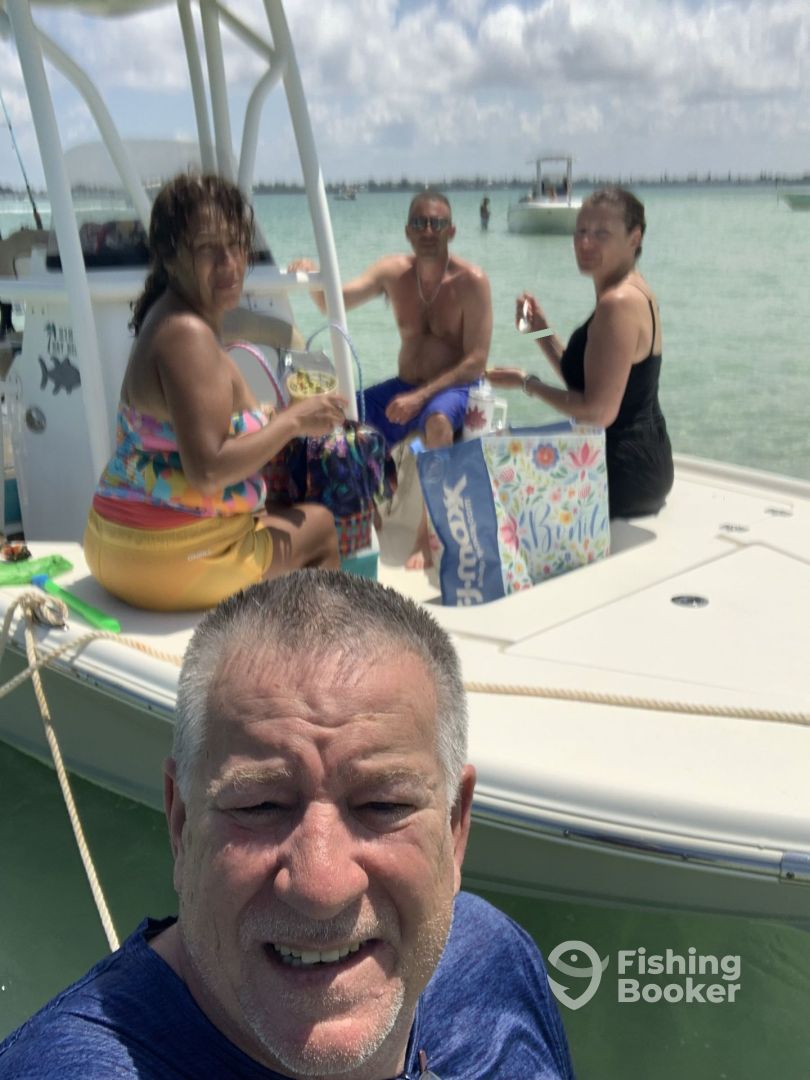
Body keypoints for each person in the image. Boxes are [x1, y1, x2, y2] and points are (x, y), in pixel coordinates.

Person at [0, 570, 575, 1079]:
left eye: (383, 805)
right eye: (261, 807)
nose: (321, 887)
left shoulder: (490, 956)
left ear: (454, 828)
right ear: (180, 824)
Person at [83, 173, 346, 612]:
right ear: (169, 256)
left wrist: (271, 419)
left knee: (277, 511)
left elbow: (190, 434)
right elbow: (207, 471)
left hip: (123, 542)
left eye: (236, 245)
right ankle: (320, 653)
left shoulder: (169, 318)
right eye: (208, 248)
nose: (229, 263)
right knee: (319, 526)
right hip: (164, 557)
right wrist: (293, 422)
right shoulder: (187, 334)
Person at [289, 190, 492, 569]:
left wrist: (420, 398)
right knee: (341, 417)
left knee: (437, 422)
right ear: (407, 231)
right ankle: (368, 517)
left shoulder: (472, 281)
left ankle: (426, 537)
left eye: (437, 223)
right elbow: (333, 303)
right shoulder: (393, 274)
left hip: (455, 388)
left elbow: (476, 361)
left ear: (452, 231)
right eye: (419, 223)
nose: (428, 230)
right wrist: (312, 273)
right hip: (404, 385)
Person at [488, 185, 674, 519]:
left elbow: (596, 412)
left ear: (634, 238)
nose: (585, 243)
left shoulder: (617, 303)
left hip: (617, 473)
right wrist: (539, 330)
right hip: (643, 464)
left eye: (602, 233)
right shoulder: (635, 291)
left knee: (484, 478)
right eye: (581, 231)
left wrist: (526, 383)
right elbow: (586, 383)